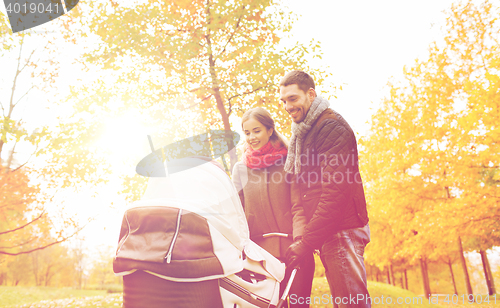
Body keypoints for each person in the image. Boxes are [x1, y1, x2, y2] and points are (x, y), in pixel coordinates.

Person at [280, 71, 371, 308]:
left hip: (343, 231)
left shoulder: (330, 127)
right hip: (332, 232)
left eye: (293, 98)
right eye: (284, 101)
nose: (288, 107)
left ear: (310, 94)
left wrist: (307, 242)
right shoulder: (307, 131)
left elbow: (335, 193)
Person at [232, 107, 315, 308]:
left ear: (270, 130)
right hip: (257, 256)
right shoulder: (240, 169)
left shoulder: (289, 162)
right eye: (247, 132)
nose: (251, 137)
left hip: (293, 250)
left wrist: (301, 245)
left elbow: (298, 206)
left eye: (257, 130)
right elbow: (236, 213)